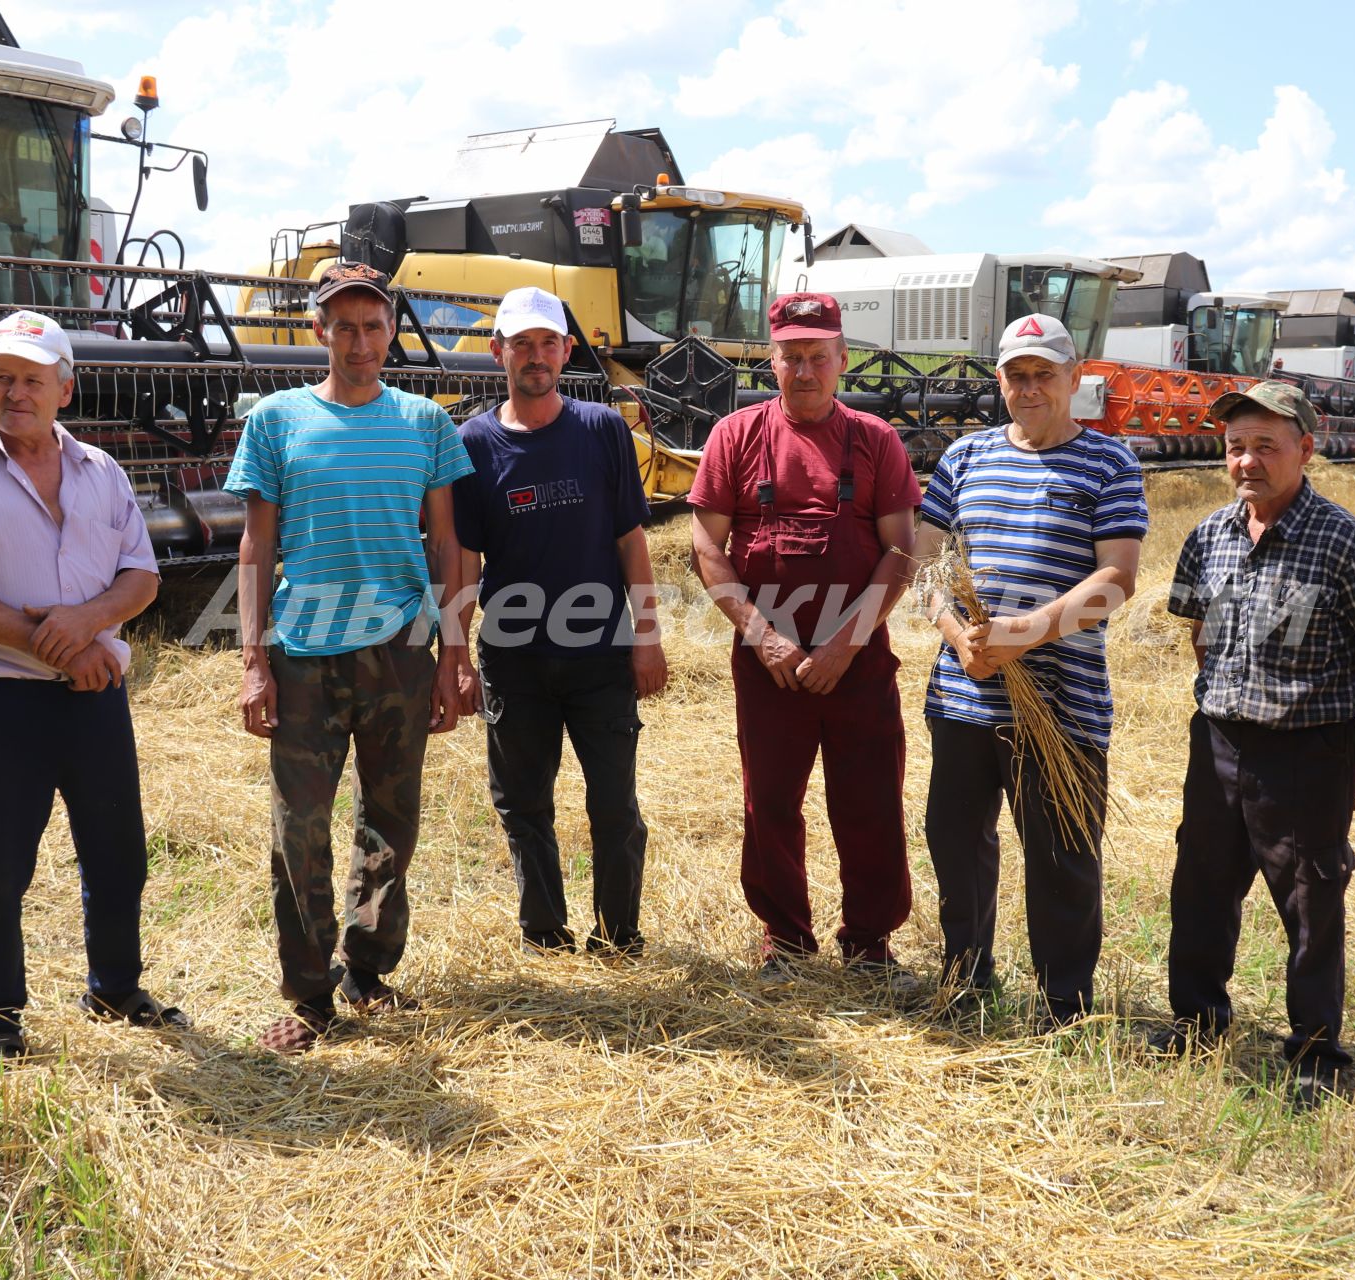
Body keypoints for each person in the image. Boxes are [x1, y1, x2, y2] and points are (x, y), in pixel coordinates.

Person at [0, 309, 184, 1064]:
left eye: (32, 379)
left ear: (66, 388)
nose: (15, 392)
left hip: (96, 698)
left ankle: (115, 987)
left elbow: (142, 575)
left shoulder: (102, 472)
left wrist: (90, 620)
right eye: (2, 378)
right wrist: (58, 648)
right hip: (3, 702)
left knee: (119, 854)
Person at [226, 261, 475, 1054]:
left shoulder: (425, 424)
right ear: (317, 332)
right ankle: (308, 995)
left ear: (391, 331)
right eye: (343, 325)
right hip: (303, 657)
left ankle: (367, 969)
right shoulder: (276, 421)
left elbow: (447, 544)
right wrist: (254, 661)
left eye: (373, 326)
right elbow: (256, 544)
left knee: (390, 825)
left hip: (400, 652)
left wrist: (452, 653)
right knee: (298, 831)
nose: (359, 341)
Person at [1154, 382, 1355, 1101]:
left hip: (1307, 751)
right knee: (1199, 887)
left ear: (1306, 449)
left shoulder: (1347, 542)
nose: (1247, 462)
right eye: (1236, 447)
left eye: (1266, 446)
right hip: (1219, 744)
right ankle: (1198, 1020)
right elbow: (1200, 633)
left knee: (1310, 904)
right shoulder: (1210, 534)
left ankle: (1316, 1052)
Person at [910, 313, 1145, 1026]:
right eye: (1018, 375)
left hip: (1062, 703)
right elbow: (925, 564)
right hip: (963, 696)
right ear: (1000, 382)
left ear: (1075, 380)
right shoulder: (966, 457)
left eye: (1046, 374)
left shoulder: (1110, 463)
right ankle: (966, 983)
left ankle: (1064, 1005)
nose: (1031, 388)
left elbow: (1117, 578)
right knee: (955, 843)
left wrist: (1024, 633)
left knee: (1062, 853)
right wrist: (961, 636)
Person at [689, 292, 921, 986]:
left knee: (870, 799)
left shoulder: (876, 441)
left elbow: (901, 551)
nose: (805, 369)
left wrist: (845, 647)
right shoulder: (735, 436)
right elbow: (707, 545)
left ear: (842, 360)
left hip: (858, 657)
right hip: (770, 663)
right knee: (770, 803)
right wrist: (764, 639)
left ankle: (871, 944)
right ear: (773, 361)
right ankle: (785, 941)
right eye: (791, 356)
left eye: (819, 356)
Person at [453, 287, 666, 956]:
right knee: (522, 802)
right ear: (498, 353)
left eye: (549, 343)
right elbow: (462, 558)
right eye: (522, 344)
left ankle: (617, 935)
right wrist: (452, 654)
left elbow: (632, 541)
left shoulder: (602, 429)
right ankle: (543, 931)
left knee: (614, 806)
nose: (536, 356)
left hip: (601, 652)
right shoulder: (473, 445)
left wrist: (649, 637)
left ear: (567, 352)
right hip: (514, 659)